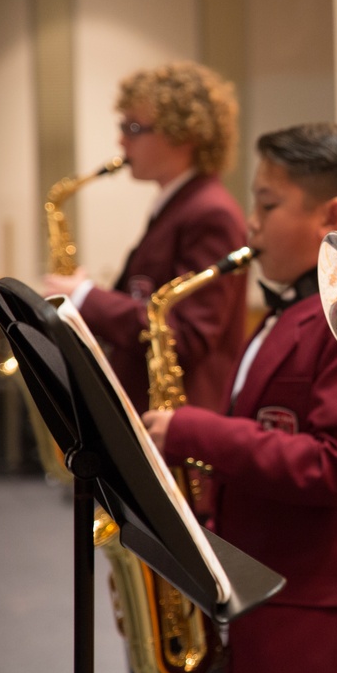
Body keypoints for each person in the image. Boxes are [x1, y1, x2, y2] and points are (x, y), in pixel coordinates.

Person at [142, 123, 337, 673]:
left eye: (268, 203)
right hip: (264, 596)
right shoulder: (282, 315)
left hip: (320, 619)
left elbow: (335, 466)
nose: (253, 222)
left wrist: (196, 433)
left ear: (333, 219)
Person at [43, 61, 247, 413]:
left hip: (180, 420)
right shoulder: (176, 205)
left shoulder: (210, 213)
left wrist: (86, 296)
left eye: (133, 127)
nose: (120, 140)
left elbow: (186, 337)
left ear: (185, 134)